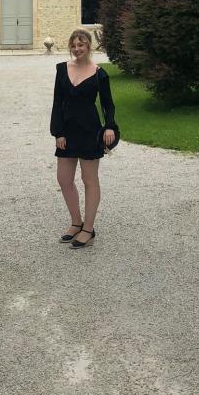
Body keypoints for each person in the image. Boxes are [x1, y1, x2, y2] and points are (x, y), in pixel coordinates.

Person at [50, 29, 118, 248]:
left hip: (89, 131)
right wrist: (58, 132)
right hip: (67, 132)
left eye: (81, 44)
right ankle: (76, 222)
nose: (77, 49)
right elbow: (57, 103)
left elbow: (108, 105)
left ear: (89, 46)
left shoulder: (99, 73)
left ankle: (88, 229)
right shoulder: (62, 70)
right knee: (64, 179)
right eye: (74, 45)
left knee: (90, 180)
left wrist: (109, 127)